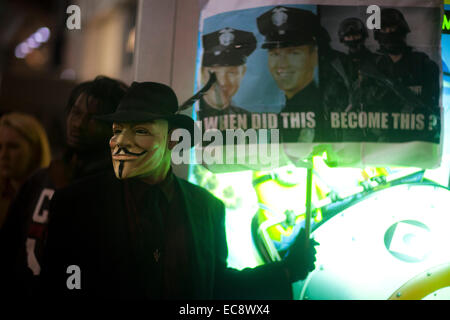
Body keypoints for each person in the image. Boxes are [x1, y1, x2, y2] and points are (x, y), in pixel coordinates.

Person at [39, 81, 317, 299]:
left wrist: (284, 271)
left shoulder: (207, 208)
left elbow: (217, 289)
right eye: (118, 130)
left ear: (173, 139)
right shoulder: (77, 204)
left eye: (141, 131)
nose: (123, 142)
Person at [0, 76, 128, 297]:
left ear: (113, 127)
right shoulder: (41, 179)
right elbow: (9, 245)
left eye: (93, 118)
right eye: (76, 113)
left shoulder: (117, 189)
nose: (78, 124)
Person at [0, 113, 51, 229]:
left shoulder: (47, 197)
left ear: (35, 150)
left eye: (13, 146)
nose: (3, 155)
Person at [198, 27, 256, 129]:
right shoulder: (189, 116)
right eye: (214, 72)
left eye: (231, 72)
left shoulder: (250, 121)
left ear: (242, 73)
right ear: (201, 74)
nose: (223, 82)